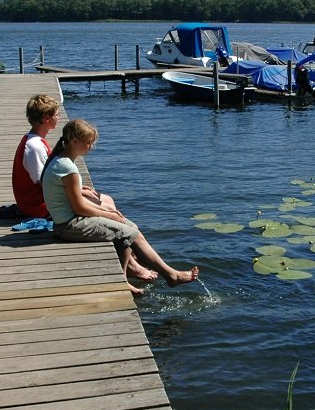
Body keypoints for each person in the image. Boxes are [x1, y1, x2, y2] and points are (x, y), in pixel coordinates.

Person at [41, 119, 198, 295]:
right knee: (129, 233)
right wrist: (108, 215)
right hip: (69, 226)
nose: (91, 147)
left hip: (67, 221)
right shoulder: (67, 166)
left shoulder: (60, 159)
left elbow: (72, 198)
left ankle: (129, 273)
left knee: (130, 227)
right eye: (88, 142)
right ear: (74, 141)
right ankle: (170, 276)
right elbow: (79, 208)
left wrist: (107, 211)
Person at [13, 95, 158, 281]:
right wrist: (84, 196)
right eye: (57, 114)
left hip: (45, 201)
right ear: (46, 118)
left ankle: (130, 257)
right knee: (106, 206)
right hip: (39, 205)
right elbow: (43, 181)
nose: (59, 117)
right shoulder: (34, 146)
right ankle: (132, 263)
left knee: (107, 202)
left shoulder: (37, 141)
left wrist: (81, 190)